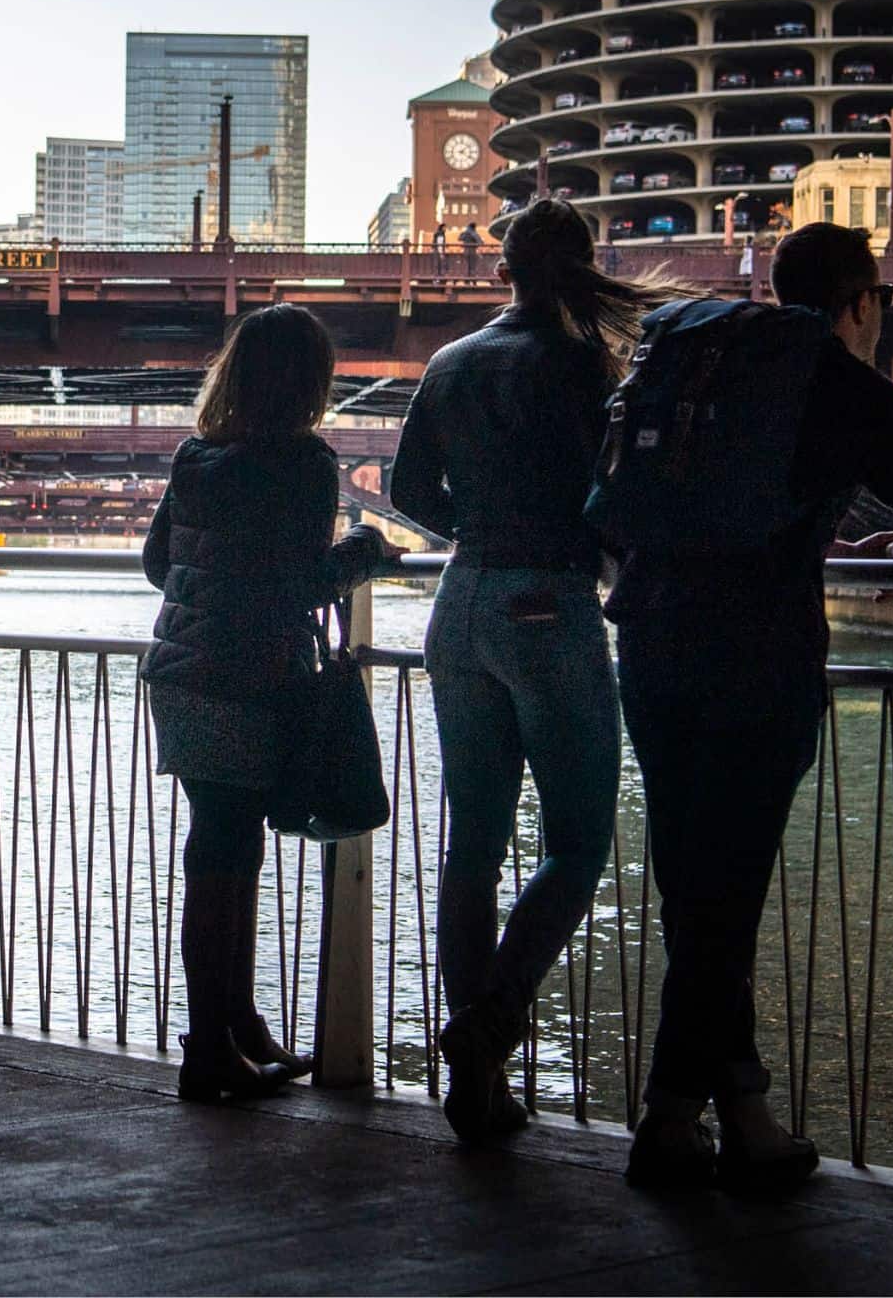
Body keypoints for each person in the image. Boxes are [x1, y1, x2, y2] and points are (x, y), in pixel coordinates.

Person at [607, 222, 893, 1194]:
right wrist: (881, 547)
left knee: (693, 890)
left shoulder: (706, 365)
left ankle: (745, 1115)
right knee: (722, 902)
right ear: (860, 303)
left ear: (778, 288)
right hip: (756, 661)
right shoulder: (850, 386)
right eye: (880, 306)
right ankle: (666, 1117)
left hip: (648, 639)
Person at [388, 198, 690, 1144]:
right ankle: (488, 1027)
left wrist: (476, 535)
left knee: (470, 852)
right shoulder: (586, 366)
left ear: (503, 269)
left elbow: (404, 492)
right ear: (583, 266)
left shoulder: (449, 363)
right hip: (549, 605)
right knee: (577, 842)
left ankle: (475, 1093)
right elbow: (620, 495)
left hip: (460, 601)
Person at [142, 303, 387, 1103]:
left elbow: (156, 565)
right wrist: (363, 551)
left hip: (181, 674)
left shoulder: (194, 454)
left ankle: (234, 1028)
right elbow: (304, 582)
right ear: (310, 382)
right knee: (225, 854)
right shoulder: (306, 463)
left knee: (220, 849)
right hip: (249, 676)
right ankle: (210, 1048)